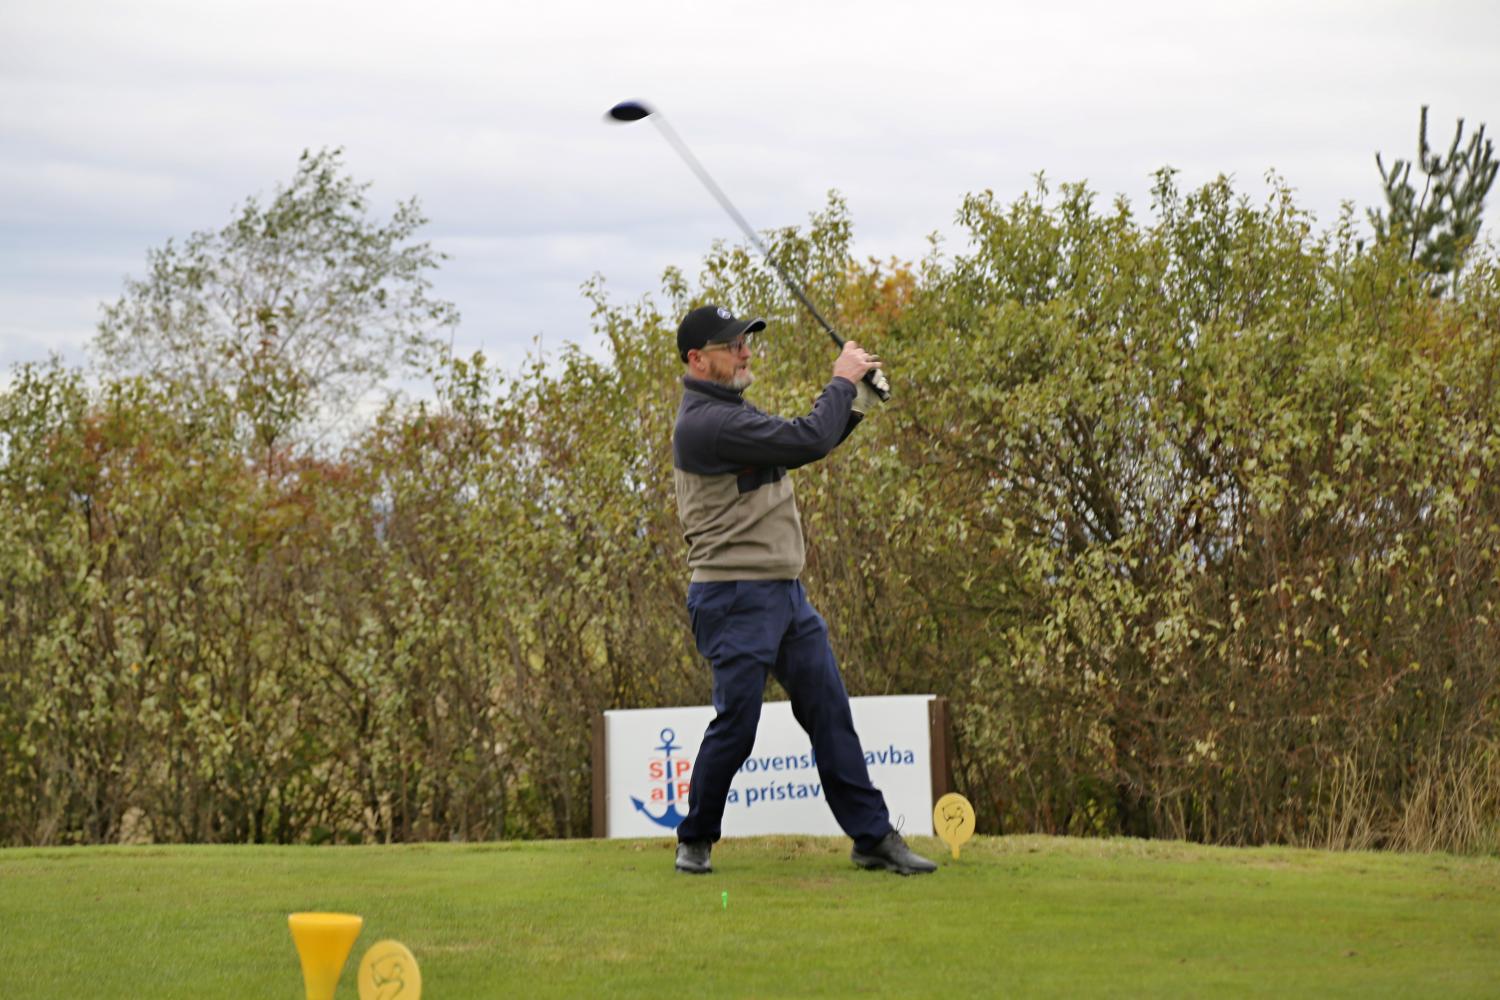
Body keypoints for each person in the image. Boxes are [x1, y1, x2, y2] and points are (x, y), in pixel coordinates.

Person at [669, 303, 937, 876]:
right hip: (732, 595)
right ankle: (695, 838)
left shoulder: (732, 412)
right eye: (731, 346)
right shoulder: (706, 423)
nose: (745, 352)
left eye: (745, 342)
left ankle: (872, 836)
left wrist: (856, 402)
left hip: (783, 594)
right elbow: (806, 439)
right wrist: (842, 380)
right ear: (697, 360)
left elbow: (802, 442)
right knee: (737, 728)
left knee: (828, 712)